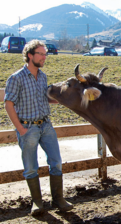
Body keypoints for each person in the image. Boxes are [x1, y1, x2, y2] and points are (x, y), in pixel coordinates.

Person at [4, 40, 73, 215]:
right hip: (28, 128)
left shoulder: (42, 76)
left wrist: (62, 98)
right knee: (31, 167)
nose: (44, 57)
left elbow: (44, 98)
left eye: (45, 54)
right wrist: (20, 129)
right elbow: (8, 104)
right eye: (41, 54)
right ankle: (37, 203)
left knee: (56, 162)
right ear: (29, 55)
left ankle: (58, 199)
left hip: (46, 125)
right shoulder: (15, 78)